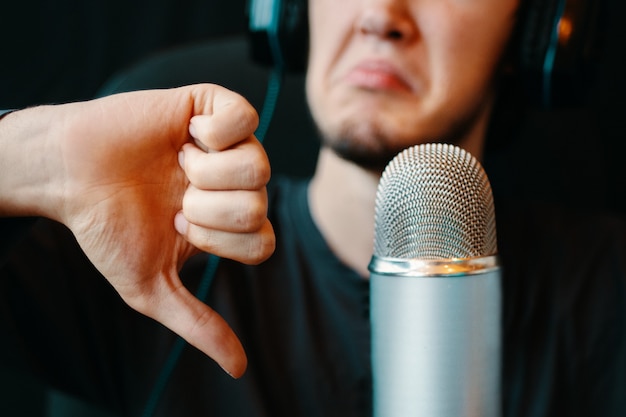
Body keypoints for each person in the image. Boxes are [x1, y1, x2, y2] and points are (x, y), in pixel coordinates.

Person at [1, 1, 625, 417]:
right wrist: (37, 155)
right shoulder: (135, 243)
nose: (382, 16)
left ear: (541, 26)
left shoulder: (608, 291)